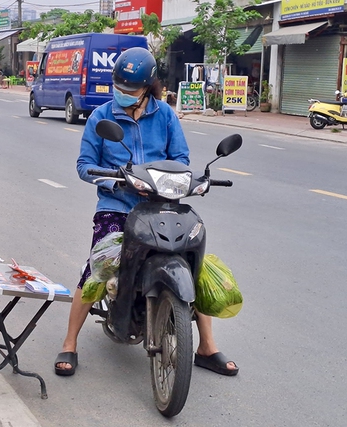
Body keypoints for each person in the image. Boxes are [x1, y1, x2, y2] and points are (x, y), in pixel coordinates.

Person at [54, 47, 239, 377]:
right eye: (119, 88)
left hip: (162, 205)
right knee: (97, 266)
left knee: (193, 262)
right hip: (117, 207)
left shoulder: (165, 115)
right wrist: (117, 181)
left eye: (130, 90)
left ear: (147, 87)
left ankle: (206, 346)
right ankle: (69, 342)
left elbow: (181, 158)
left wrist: (181, 181)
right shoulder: (102, 117)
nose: (122, 95)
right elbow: (84, 167)